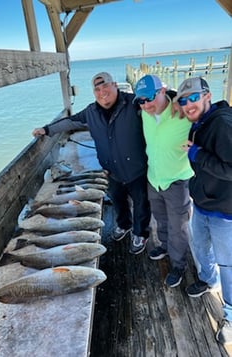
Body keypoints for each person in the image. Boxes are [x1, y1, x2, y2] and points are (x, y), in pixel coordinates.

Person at [32, 72, 151, 255]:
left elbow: (156, 102)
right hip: (111, 170)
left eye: (105, 86)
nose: (102, 92)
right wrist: (47, 129)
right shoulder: (91, 112)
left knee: (141, 203)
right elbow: (70, 122)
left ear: (115, 85)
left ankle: (140, 233)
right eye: (97, 89)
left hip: (137, 168)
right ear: (94, 93)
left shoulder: (133, 102)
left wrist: (172, 98)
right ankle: (124, 225)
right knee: (118, 202)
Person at [174, 76, 232, 345]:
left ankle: (229, 315)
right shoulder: (200, 121)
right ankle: (208, 280)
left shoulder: (221, 123)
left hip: (225, 212)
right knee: (199, 247)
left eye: (193, 98)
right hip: (203, 203)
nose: (188, 105)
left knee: (228, 265)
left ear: (207, 95)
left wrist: (196, 155)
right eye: (183, 101)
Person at [133, 74, 193, 287]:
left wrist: (178, 98)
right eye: (141, 100)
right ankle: (166, 246)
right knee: (160, 218)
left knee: (179, 226)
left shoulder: (183, 111)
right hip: (154, 178)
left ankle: (179, 265)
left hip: (177, 180)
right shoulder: (144, 114)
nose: (146, 105)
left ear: (162, 91)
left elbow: (209, 111)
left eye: (149, 98)